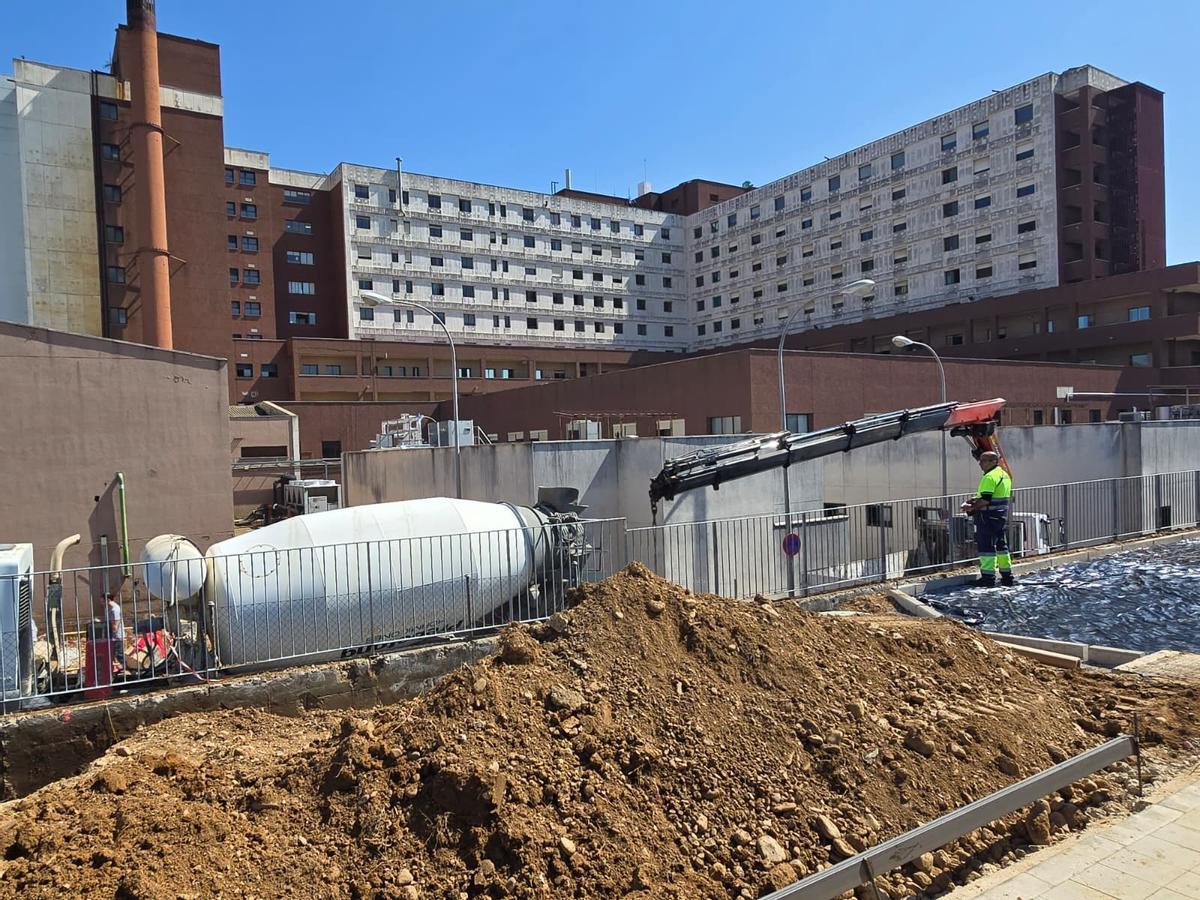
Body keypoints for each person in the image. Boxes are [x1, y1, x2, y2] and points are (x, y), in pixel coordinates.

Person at [960, 450, 1014, 587]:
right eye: (980, 460)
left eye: (983, 461)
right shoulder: (1004, 475)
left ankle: (988, 578)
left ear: (993, 461)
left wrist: (970, 507)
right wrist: (975, 499)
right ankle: (1007, 576)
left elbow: (985, 499)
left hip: (987, 517)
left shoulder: (989, 477)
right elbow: (993, 495)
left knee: (986, 546)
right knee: (1001, 546)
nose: (980, 463)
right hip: (1000, 516)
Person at [104, 593, 127, 673]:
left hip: (117, 635)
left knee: (119, 653)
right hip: (112, 634)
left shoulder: (115, 609)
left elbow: (115, 624)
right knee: (113, 652)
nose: (102, 603)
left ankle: (123, 667)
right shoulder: (109, 608)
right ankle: (118, 667)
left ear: (108, 600)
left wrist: (114, 635)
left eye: (102, 601)